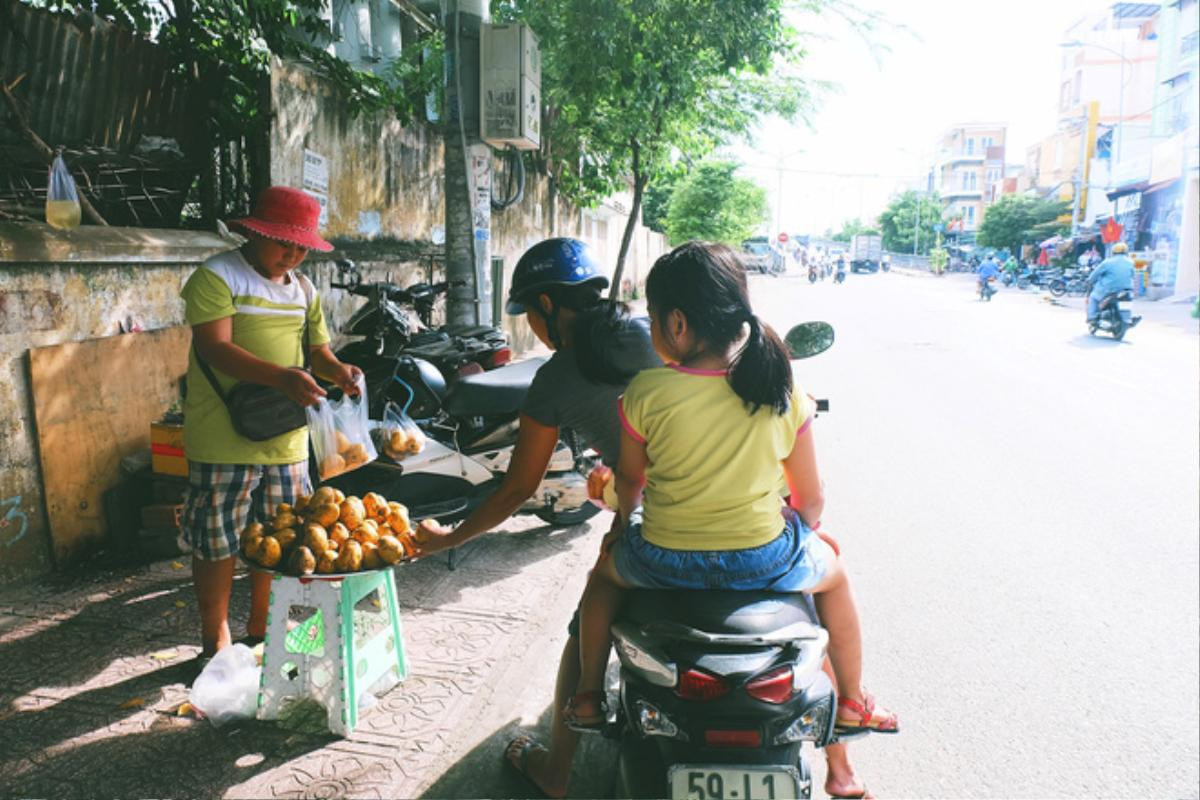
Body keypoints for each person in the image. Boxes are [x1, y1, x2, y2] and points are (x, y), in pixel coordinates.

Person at [567, 242, 897, 791]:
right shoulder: (782, 389)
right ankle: (856, 702)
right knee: (834, 574)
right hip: (762, 559)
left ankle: (584, 696)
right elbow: (810, 501)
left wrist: (625, 525)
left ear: (675, 324)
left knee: (601, 581)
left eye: (650, 318)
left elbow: (629, 483)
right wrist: (800, 532)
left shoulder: (646, 392)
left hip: (664, 558)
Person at [414, 238, 665, 798]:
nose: (531, 322)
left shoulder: (554, 379)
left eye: (530, 310)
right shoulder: (654, 333)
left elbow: (517, 490)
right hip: (724, 511)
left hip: (647, 527)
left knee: (582, 637)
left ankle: (556, 771)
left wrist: (444, 539)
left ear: (548, 305)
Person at [180, 186, 363, 661]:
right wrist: (283, 378)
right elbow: (215, 348)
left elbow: (318, 353)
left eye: (302, 246)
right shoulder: (217, 276)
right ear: (256, 231)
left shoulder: (303, 288)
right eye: (284, 242)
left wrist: (339, 371)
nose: (294, 254)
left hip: (286, 439)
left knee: (280, 537)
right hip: (222, 434)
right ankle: (213, 639)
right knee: (217, 540)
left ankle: (261, 629)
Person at [1086, 242, 1136, 323]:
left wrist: (1089, 280)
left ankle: (1092, 317)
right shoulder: (1130, 262)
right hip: (1126, 290)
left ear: (1113, 252)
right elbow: (1133, 275)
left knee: (1093, 297)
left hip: (1108, 290)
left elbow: (1095, 274)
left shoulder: (1107, 262)